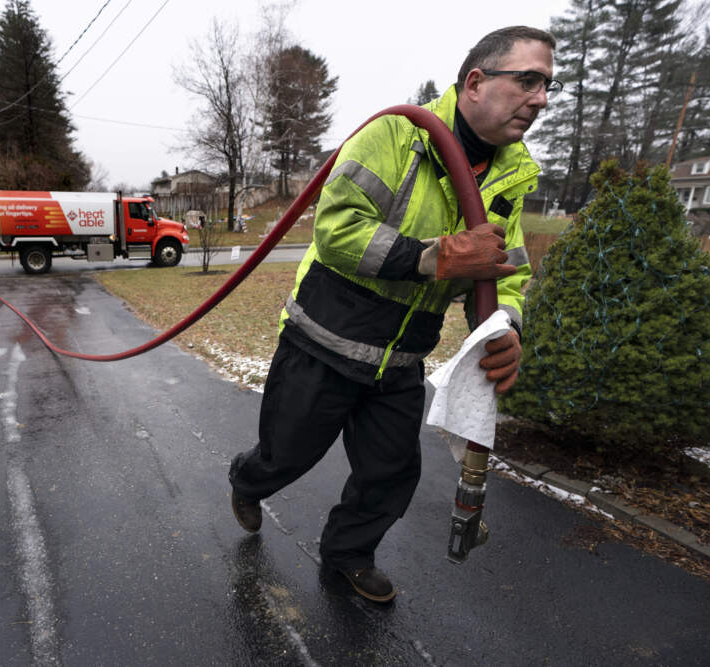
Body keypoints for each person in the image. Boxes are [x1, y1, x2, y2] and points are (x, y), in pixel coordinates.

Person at [228, 26, 558, 603]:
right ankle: (247, 480)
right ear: (476, 82)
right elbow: (336, 232)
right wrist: (433, 258)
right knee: (287, 456)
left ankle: (348, 554)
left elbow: (512, 269)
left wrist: (508, 323)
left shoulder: (513, 174)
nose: (541, 99)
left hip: (401, 360)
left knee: (391, 473)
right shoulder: (395, 135)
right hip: (322, 342)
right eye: (527, 80)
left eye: (549, 85)